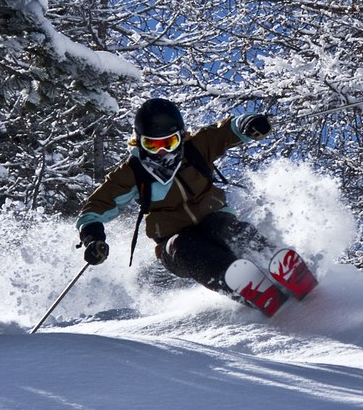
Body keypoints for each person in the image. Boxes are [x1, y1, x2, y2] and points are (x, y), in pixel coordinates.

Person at [76, 98, 316, 315]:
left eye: (169, 142)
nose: (162, 152)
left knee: (222, 227)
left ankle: (275, 262)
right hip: (174, 243)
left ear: (181, 136)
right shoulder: (132, 172)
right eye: (152, 145)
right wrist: (92, 236)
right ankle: (244, 286)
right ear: (139, 142)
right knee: (184, 246)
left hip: (213, 218)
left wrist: (248, 124)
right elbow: (96, 206)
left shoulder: (196, 147)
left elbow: (227, 130)